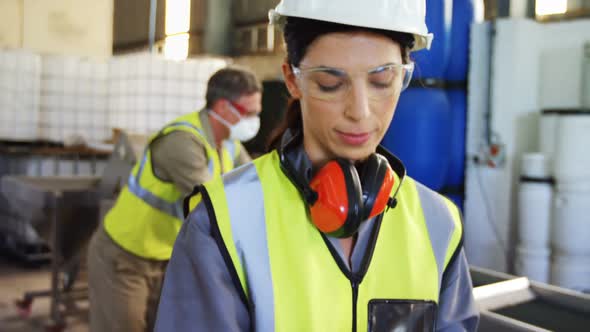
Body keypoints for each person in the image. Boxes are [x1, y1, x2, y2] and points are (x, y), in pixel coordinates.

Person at [155, 0, 479, 331]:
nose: (360, 111)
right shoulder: (224, 223)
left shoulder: (438, 223)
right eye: (330, 83)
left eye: (382, 81)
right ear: (292, 80)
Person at [86, 66, 262, 332]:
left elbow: (255, 184)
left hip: (167, 257)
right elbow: (213, 207)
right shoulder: (183, 141)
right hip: (125, 257)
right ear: (224, 107)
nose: (254, 120)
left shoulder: (229, 143)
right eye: (250, 113)